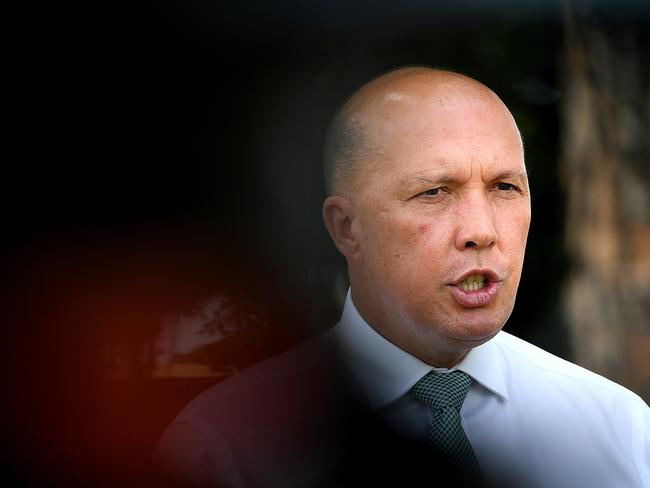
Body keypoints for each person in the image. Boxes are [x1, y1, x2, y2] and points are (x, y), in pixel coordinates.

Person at [154, 67, 650, 487]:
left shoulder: (619, 428)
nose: (482, 231)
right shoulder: (224, 450)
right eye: (434, 192)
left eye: (504, 187)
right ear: (347, 228)